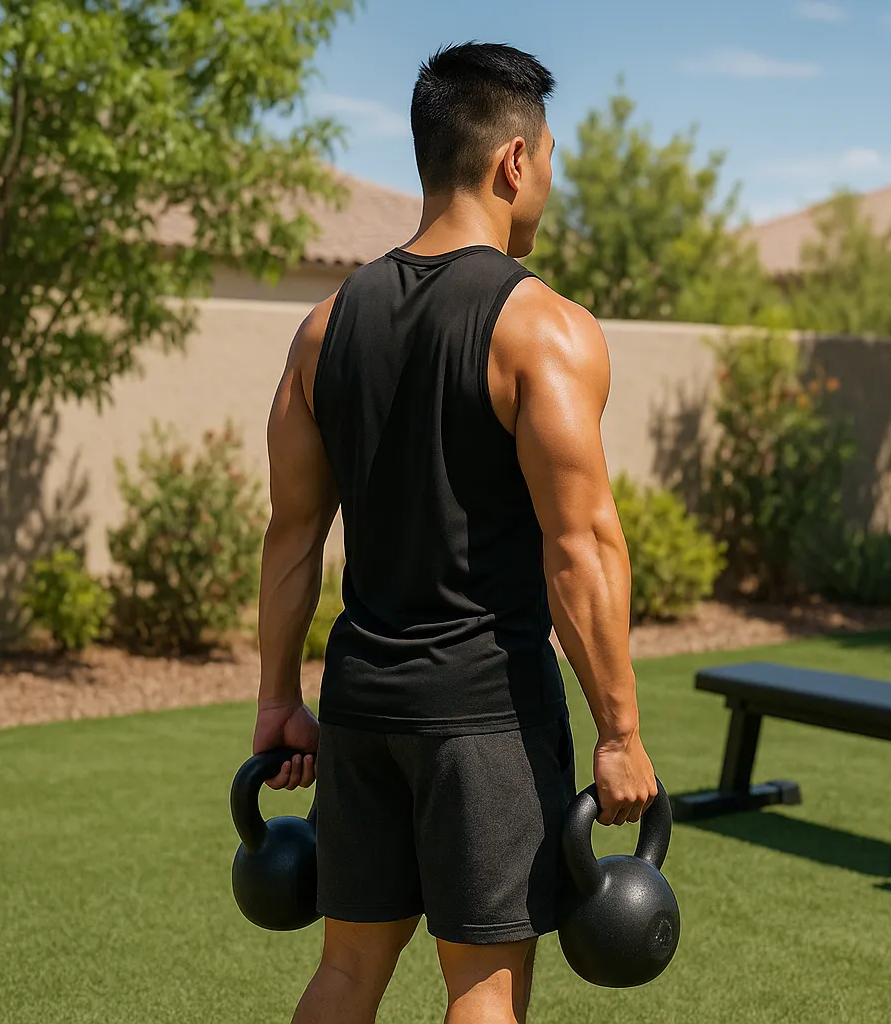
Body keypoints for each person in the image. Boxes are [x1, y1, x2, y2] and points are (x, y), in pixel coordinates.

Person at [250, 42, 657, 1024]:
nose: (550, 182)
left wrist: (278, 701)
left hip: (358, 704)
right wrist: (621, 731)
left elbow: (292, 540)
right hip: (485, 716)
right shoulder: (542, 328)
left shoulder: (324, 328)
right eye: (550, 158)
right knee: (483, 988)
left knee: (347, 970)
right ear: (514, 161)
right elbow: (582, 549)